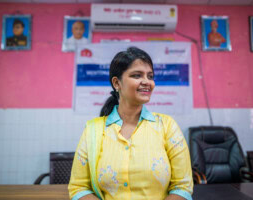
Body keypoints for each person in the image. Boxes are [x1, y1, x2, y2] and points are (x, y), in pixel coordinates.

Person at [68, 47, 193, 200]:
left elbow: (182, 187)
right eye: (137, 75)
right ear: (116, 83)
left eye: (150, 76)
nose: (147, 82)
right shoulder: (93, 130)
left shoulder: (167, 126)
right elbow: (79, 187)